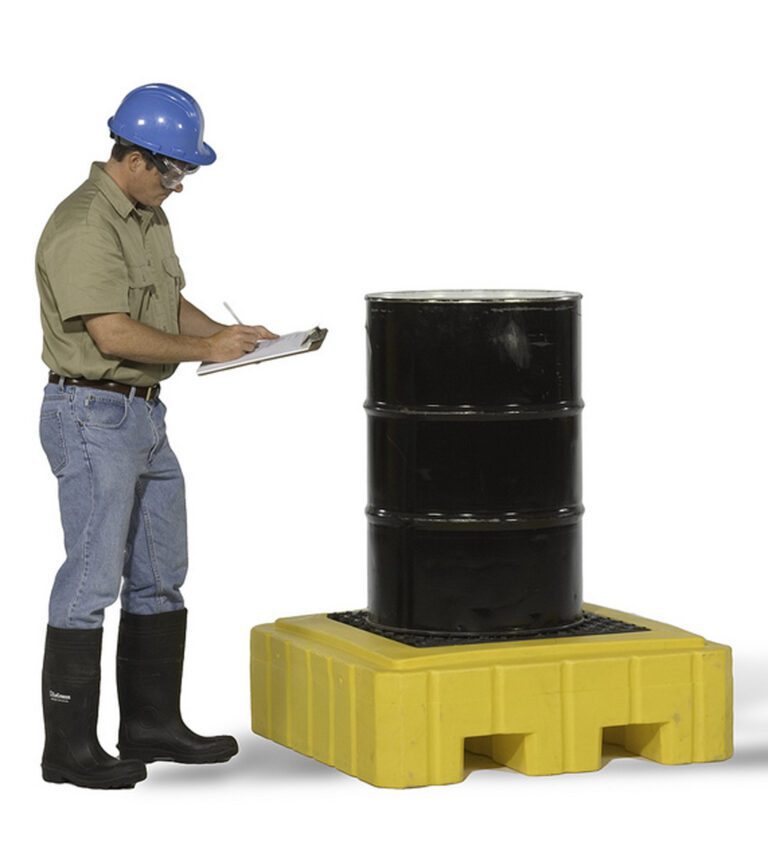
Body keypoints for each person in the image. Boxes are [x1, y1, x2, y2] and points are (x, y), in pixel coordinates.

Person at [36, 83, 277, 789]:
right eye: (172, 171)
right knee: (89, 581)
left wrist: (230, 335)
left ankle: (149, 724)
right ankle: (69, 749)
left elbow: (162, 301)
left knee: (160, 575)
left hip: (144, 414)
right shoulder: (84, 225)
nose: (178, 185)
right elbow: (111, 330)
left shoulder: (144, 216)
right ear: (133, 157)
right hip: (92, 413)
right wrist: (207, 352)